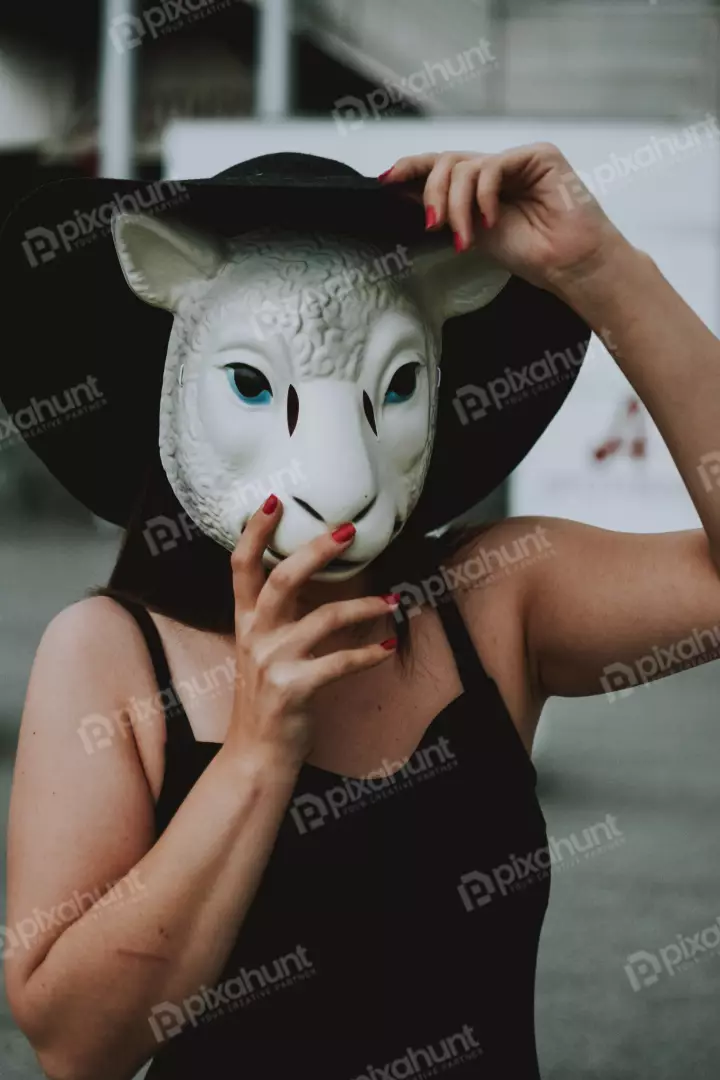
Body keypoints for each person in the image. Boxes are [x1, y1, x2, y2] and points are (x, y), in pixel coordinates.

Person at [3, 143, 720, 1080]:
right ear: (180, 382)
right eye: (254, 384)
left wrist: (600, 271)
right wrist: (260, 752)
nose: (338, 484)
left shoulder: (499, 601)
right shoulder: (109, 657)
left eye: (395, 387)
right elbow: (75, 1044)